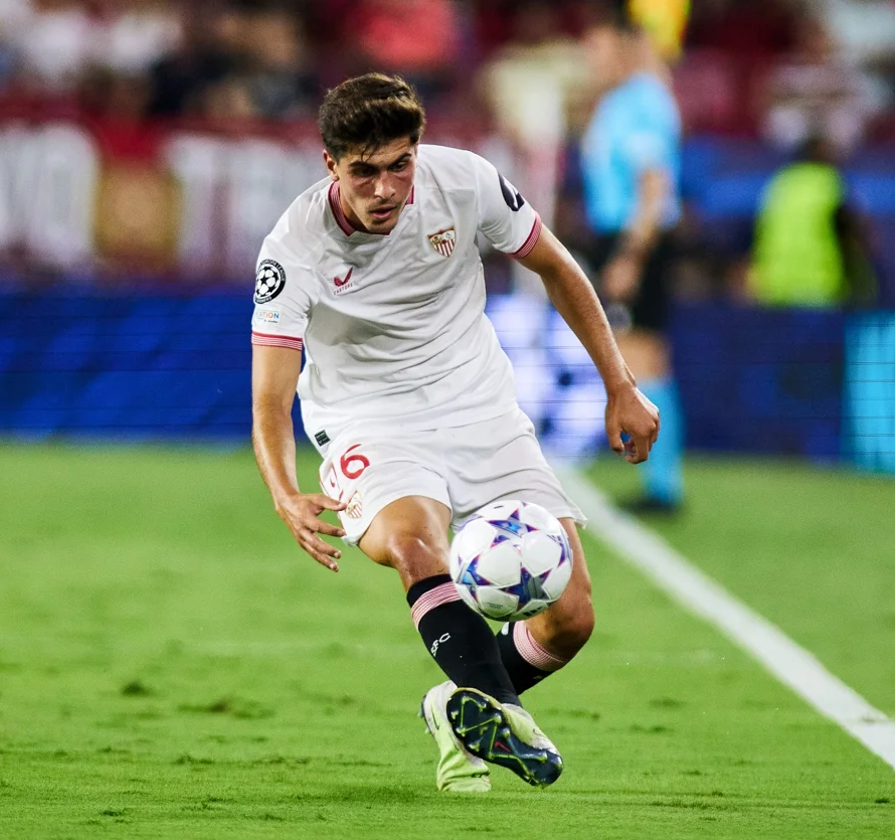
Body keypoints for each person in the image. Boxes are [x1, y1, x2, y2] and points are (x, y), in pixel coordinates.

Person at [250, 73, 659, 793]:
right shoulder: (293, 249)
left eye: (399, 164)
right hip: (367, 418)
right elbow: (270, 396)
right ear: (330, 165)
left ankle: (458, 705)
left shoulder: (465, 183)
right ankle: (501, 708)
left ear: (420, 148)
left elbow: (557, 269)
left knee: (573, 616)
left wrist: (620, 384)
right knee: (415, 544)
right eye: (363, 171)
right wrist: (283, 489)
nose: (384, 187)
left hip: (480, 404)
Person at [580, 12, 684, 513]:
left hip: (635, 240)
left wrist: (631, 255)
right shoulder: (621, 101)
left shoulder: (641, 102)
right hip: (621, 239)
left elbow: (654, 185)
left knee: (642, 357)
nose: (591, 60)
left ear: (624, 46)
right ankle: (660, 482)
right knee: (640, 355)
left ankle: (662, 486)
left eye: (598, 48)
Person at [749, 135, 876, 308]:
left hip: (775, 288)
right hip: (818, 287)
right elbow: (852, 234)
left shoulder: (779, 183)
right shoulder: (829, 183)